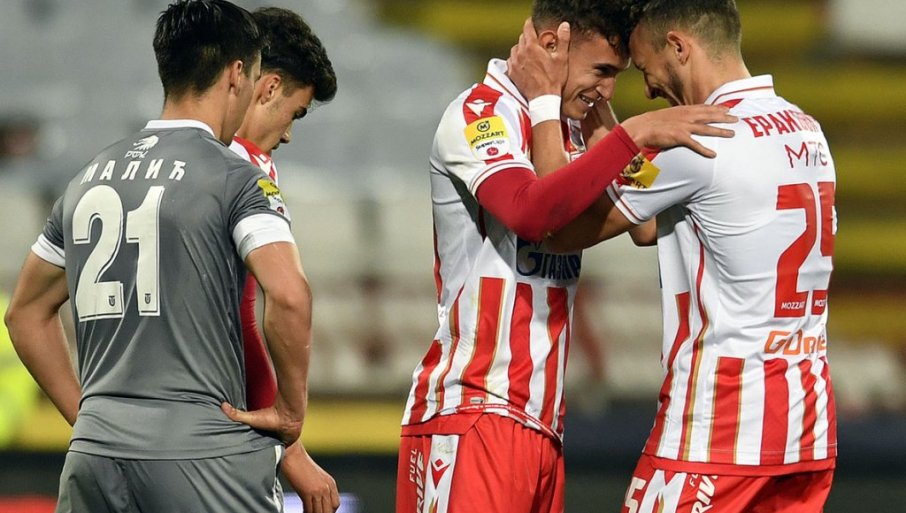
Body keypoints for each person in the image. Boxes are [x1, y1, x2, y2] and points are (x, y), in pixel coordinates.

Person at [396, 1, 738, 512]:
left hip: (541, 423)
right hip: (475, 410)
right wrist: (635, 133)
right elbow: (535, 216)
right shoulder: (481, 113)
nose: (607, 89)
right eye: (600, 72)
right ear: (551, 45)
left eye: (617, 76)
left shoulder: (565, 128)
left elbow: (643, 226)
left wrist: (600, 117)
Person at [508, 1, 838, 511]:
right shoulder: (807, 129)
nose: (647, 90)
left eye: (645, 68)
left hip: (719, 432)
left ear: (679, 48)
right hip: (806, 432)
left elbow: (557, 223)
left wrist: (546, 100)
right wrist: (609, 124)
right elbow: (645, 225)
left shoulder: (699, 138)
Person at [4, 1, 314, 511]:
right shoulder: (236, 178)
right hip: (201, 455)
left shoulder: (87, 178)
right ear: (237, 75)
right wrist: (290, 412)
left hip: (95, 456)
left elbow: (26, 313)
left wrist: (89, 421)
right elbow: (290, 296)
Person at [231, 6, 340, 513]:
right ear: (268, 87)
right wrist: (290, 441)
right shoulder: (244, 169)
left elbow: (27, 312)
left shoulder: (133, 159)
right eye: (295, 112)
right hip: (209, 445)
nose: (290, 133)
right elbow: (259, 309)